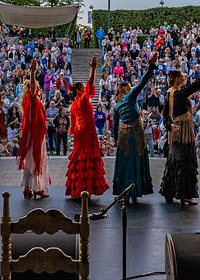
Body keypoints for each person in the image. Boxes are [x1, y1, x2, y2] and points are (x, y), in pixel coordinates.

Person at [160, 55, 200, 207]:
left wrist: (170, 126)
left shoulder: (169, 92)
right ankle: (184, 195)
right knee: (186, 162)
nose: (184, 78)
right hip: (184, 131)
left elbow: (166, 115)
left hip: (175, 131)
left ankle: (169, 192)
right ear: (176, 79)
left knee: (173, 160)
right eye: (182, 77)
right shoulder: (180, 93)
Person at [112, 52, 158, 204]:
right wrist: (151, 66)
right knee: (134, 161)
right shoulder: (130, 96)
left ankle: (122, 191)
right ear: (126, 89)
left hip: (123, 135)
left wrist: (114, 138)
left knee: (124, 162)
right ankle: (134, 190)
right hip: (135, 135)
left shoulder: (116, 105)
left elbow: (114, 126)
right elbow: (143, 82)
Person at [65, 56, 108, 198]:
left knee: (79, 156)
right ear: (78, 90)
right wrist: (93, 68)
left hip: (79, 130)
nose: (85, 88)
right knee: (88, 156)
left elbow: (72, 122)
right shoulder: (83, 99)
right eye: (82, 88)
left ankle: (77, 188)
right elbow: (90, 82)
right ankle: (86, 189)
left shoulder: (73, 104)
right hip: (88, 130)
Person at [18, 60, 51, 200]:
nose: (38, 89)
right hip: (34, 134)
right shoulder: (31, 99)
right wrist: (32, 72)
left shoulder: (28, 101)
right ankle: (37, 188)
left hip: (31, 133)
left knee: (29, 160)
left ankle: (27, 188)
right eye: (36, 87)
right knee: (36, 159)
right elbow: (32, 87)